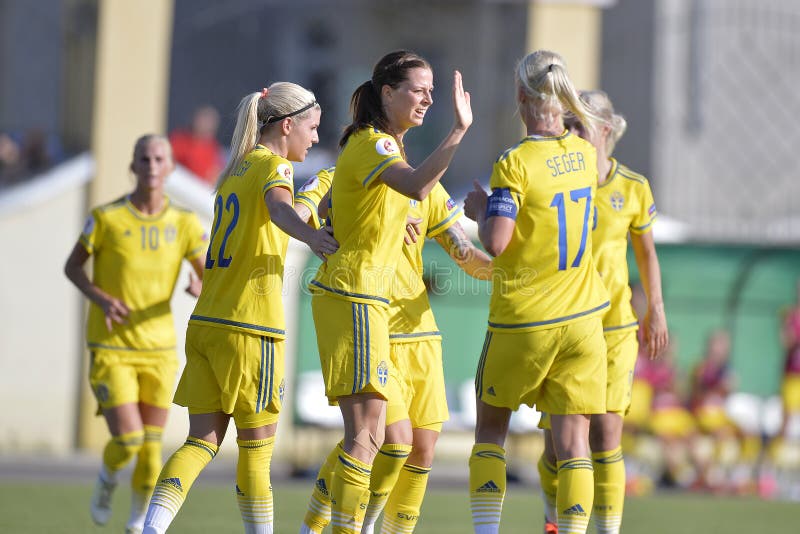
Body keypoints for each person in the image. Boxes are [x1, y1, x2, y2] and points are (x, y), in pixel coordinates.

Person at [141, 83, 338, 534]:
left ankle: (148, 527)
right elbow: (279, 211)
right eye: (311, 128)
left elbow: (277, 211)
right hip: (252, 328)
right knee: (256, 451)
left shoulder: (235, 169)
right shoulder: (275, 166)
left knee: (201, 442)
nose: (313, 138)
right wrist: (310, 236)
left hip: (208, 322)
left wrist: (315, 193)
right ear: (287, 125)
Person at [305, 50, 472, 534]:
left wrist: (514, 269)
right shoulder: (373, 146)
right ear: (387, 92)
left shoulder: (389, 157)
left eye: (432, 91)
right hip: (355, 297)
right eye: (418, 89)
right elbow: (415, 187)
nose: (428, 98)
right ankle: (329, 526)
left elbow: (458, 246)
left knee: (396, 441)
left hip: (378, 309)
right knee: (372, 439)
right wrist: (459, 131)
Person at [296, 168, 492, 533]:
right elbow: (301, 215)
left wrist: (509, 271)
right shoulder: (339, 176)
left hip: (420, 334)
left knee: (421, 449)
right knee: (391, 441)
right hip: (370, 328)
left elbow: (465, 255)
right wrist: (377, 213)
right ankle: (326, 524)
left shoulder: (426, 186)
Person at [464, 50, 609, 534]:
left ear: (522, 96)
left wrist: (482, 209)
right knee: (574, 446)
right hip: (584, 323)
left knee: (490, 432)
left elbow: (497, 242)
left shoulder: (516, 161)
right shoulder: (586, 155)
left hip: (525, 319)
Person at [536, 90, 668, 534]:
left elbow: (647, 254)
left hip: (613, 329)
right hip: (563, 325)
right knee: (558, 448)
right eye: (567, 123)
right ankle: (553, 523)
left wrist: (656, 310)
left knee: (606, 437)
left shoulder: (632, 186)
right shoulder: (557, 180)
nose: (570, 132)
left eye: (580, 125)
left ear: (605, 131)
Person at [64, 134, 207, 534]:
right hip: (112, 346)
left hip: (159, 348)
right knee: (128, 439)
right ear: (133, 166)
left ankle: (139, 521)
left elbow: (206, 272)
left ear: (171, 168)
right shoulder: (107, 218)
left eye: (159, 158)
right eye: (144, 158)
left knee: (151, 448)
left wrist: (199, 284)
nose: (152, 166)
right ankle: (108, 479)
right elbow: (73, 267)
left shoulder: (183, 222)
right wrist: (100, 297)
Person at [169, 105, 226, 186]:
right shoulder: (179, 140)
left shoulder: (213, 147)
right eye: (204, 121)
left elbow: (217, 172)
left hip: (200, 192)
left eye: (210, 123)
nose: (206, 125)